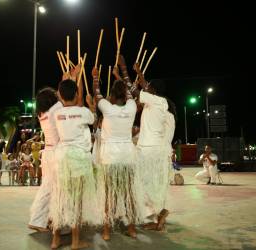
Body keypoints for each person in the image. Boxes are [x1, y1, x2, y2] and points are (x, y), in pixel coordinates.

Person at [119, 56, 170, 231]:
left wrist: (126, 70)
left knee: (142, 183)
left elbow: (134, 90)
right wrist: (138, 72)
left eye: (149, 87)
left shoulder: (156, 101)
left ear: (153, 91)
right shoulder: (158, 103)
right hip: (153, 149)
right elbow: (140, 87)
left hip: (149, 150)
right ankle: (157, 216)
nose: (146, 87)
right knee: (150, 183)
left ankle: (159, 213)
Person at [48, 78, 98, 249]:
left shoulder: (56, 114)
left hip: (61, 158)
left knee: (59, 197)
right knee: (76, 200)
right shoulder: (83, 111)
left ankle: (56, 239)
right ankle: (75, 242)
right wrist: (91, 105)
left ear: (60, 96)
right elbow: (93, 120)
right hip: (79, 159)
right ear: (77, 94)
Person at [92, 66, 139, 240]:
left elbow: (97, 94)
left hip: (110, 157)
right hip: (127, 156)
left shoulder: (107, 107)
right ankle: (132, 229)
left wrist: (95, 77)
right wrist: (124, 74)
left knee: (109, 194)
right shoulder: (132, 107)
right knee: (128, 194)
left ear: (112, 96)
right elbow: (130, 93)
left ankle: (106, 231)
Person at [28, 86, 64, 232]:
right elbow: (64, 99)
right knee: (50, 187)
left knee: (51, 187)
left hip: (48, 152)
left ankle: (49, 219)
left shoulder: (42, 114)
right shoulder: (55, 110)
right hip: (54, 152)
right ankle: (37, 220)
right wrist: (70, 80)